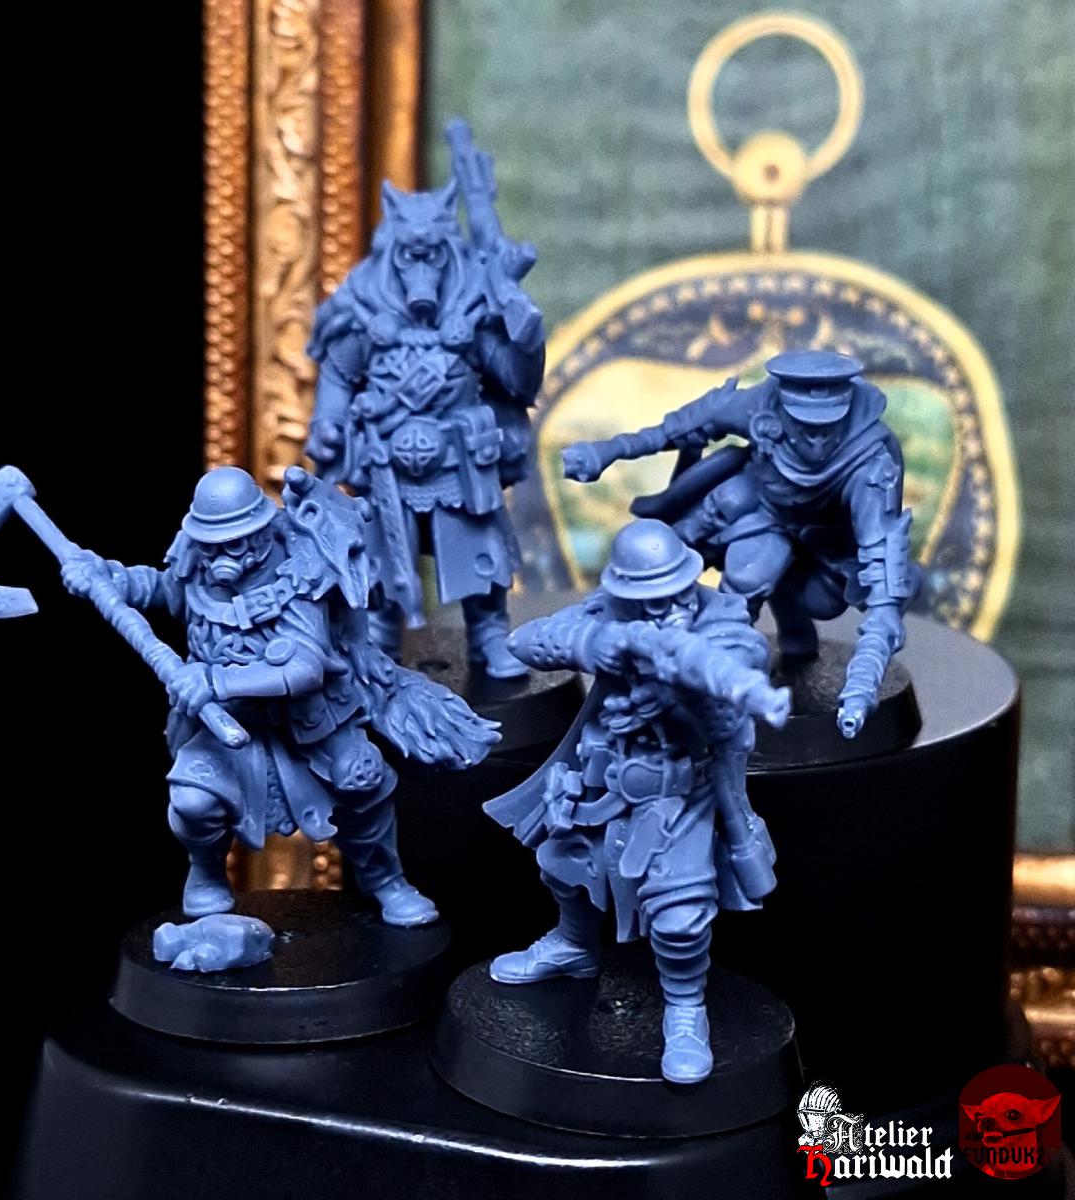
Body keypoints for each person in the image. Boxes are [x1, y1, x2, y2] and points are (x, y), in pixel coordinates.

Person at [62, 465, 498, 927]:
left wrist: (215, 682)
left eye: (232, 544)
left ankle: (386, 880)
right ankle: (206, 872)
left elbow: (304, 669)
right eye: (211, 544)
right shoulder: (198, 565)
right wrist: (107, 576)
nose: (220, 556)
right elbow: (160, 588)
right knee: (193, 801)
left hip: (310, 720)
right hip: (227, 723)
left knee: (361, 783)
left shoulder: (298, 578)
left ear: (260, 532)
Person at [485, 519, 788, 1083]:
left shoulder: (722, 625)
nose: (660, 610)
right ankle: (575, 946)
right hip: (600, 782)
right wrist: (599, 645)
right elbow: (523, 642)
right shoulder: (610, 614)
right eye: (645, 599)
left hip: (677, 796)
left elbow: (738, 673)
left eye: (670, 596)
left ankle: (685, 1008)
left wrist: (680, 689)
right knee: (563, 866)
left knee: (679, 916)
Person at [563, 351, 920, 737]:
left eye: (826, 428)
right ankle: (731, 672)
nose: (816, 441)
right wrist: (607, 451)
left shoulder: (870, 462)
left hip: (826, 539)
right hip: (758, 511)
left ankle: (789, 636)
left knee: (821, 600)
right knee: (744, 574)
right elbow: (680, 428)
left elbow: (881, 553)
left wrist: (867, 667)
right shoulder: (758, 406)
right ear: (783, 412)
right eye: (805, 427)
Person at [306, 127, 544, 678]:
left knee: (478, 551)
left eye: (430, 256)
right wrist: (328, 421)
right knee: (382, 562)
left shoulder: (471, 306)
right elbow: (339, 372)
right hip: (386, 457)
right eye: (410, 257)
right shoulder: (364, 306)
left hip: (457, 456)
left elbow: (514, 378)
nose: (421, 273)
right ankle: (379, 641)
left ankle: (489, 636)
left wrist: (525, 335)